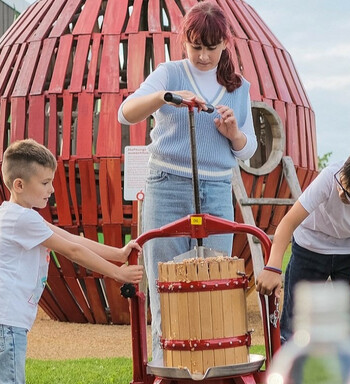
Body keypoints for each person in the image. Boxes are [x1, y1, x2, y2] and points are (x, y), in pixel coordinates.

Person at [118, 2, 257, 360]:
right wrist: (167, 98)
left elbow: (248, 150)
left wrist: (233, 134)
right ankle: (166, 369)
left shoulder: (239, 87)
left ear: (225, 43)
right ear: (185, 42)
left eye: (211, 47)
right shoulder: (170, 72)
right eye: (196, 47)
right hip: (166, 183)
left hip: (216, 188)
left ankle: (212, 367)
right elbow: (125, 113)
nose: (204, 55)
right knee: (166, 285)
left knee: (215, 283)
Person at [0, 139, 144, 384]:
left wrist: (118, 254)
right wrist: (118, 274)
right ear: (19, 184)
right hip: (8, 322)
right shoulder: (24, 220)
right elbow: (73, 250)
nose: (52, 189)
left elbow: (67, 237)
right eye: (45, 183)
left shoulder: (17, 215)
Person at [255, 142, 350, 348]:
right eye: (342, 185)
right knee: (294, 323)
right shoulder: (330, 176)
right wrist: (273, 266)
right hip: (310, 245)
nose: (341, 194)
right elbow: (288, 222)